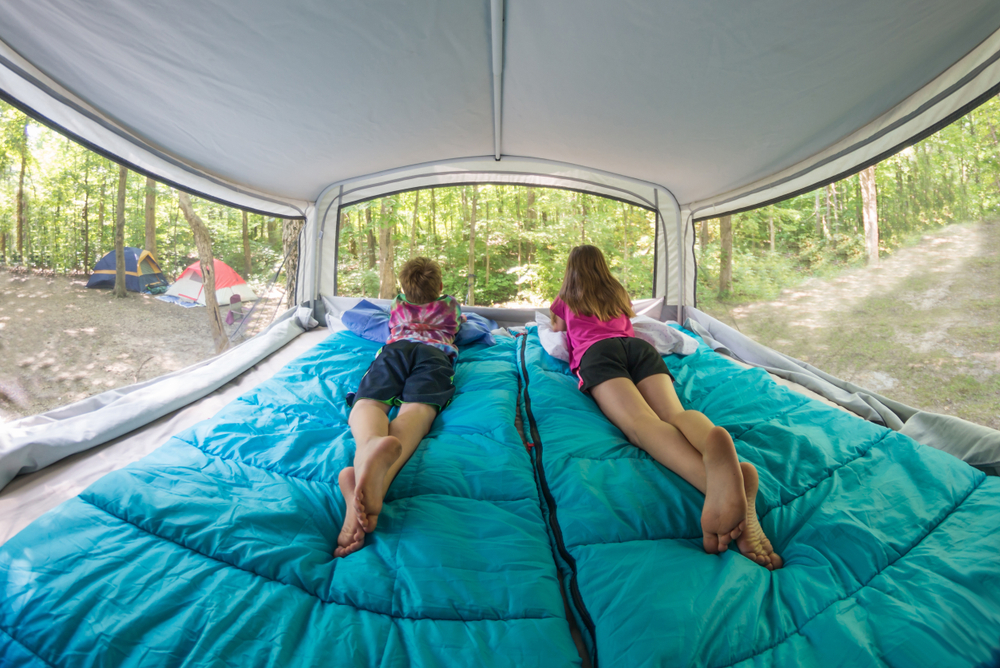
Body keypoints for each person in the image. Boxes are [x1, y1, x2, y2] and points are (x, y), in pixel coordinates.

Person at [549, 245, 782, 569]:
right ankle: (723, 467)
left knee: (640, 424)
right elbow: (628, 317)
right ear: (603, 266)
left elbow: (557, 329)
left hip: (598, 354)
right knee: (673, 415)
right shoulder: (617, 291)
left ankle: (715, 484)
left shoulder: (566, 298)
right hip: (639, 350)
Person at [336, 257, 464, 557]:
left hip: (395, 350)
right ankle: (379, 479)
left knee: (368, 402)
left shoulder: (396, 306)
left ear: (403, 288)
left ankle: (367, 451)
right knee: (417, 410)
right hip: (434, 354)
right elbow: (461, 326)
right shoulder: (450, 306)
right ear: (441, 286)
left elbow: (388, 324)